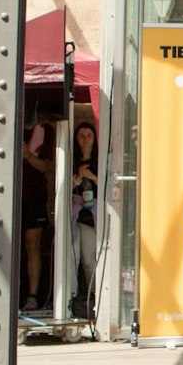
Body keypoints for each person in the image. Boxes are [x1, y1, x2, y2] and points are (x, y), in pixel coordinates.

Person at [21, 113, 56, 310]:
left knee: (32, 243)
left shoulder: (45, 131)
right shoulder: (8, 124)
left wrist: (27, 155)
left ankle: (32, 296)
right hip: (8, 195)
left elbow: (47, 166)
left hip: (35, 194)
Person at [71, 120, 100, 313]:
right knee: (74, 258)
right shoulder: (70, 160)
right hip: (75, 212)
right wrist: (78, 179)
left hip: (93, 212)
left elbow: (106, 184)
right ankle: (72, 296)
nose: (85, 139)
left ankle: (95, 294)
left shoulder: (101, 160)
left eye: (89, 135)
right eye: (81, 136)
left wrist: (91, 176)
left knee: (89, 260)